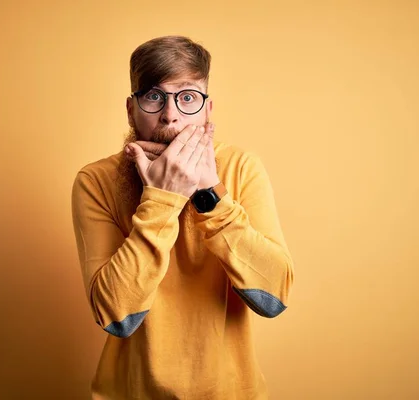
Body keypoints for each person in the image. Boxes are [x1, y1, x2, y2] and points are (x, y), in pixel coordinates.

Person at [71, 35, 295, 400]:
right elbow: (116, 315)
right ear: (131, 110)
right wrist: (162, 199)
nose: (170, 114)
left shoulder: (241, 168)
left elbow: (273, 297)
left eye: (187, 97)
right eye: (154, 96)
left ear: (208, 110)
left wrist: (208, 192)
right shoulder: (95, 182)